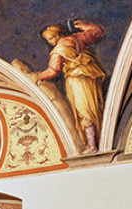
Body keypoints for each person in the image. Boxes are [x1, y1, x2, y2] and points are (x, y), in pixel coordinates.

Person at [38, 20, 106, 154]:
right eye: (48, 40)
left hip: (77, 81)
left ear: (58, 35)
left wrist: (36, 76)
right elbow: (98, 32)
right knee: (93, 108)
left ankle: (91, 145)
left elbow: (52, 71)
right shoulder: (78, 38)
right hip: (90, 76)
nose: (50, 42)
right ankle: (98, 140)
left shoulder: (59, 50)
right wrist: (84, 26)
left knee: (83, 111)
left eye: (51, 38)